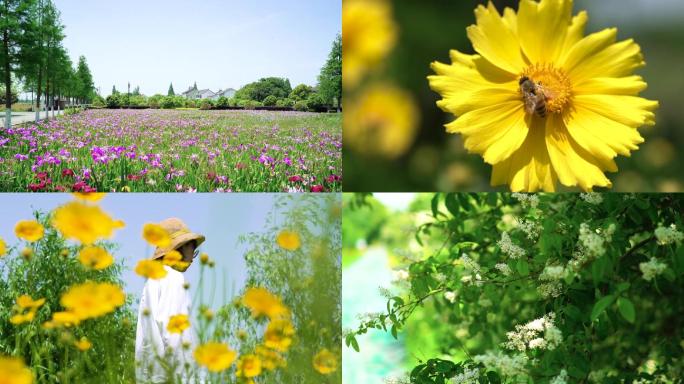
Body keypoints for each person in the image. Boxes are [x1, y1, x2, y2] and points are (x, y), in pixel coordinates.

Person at [135, 218, 205, 384]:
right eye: (192, 246)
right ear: (179, 247)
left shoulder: (153, 281)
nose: (193, 256)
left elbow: (143, 348)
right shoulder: (173, 279)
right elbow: (177, 340)